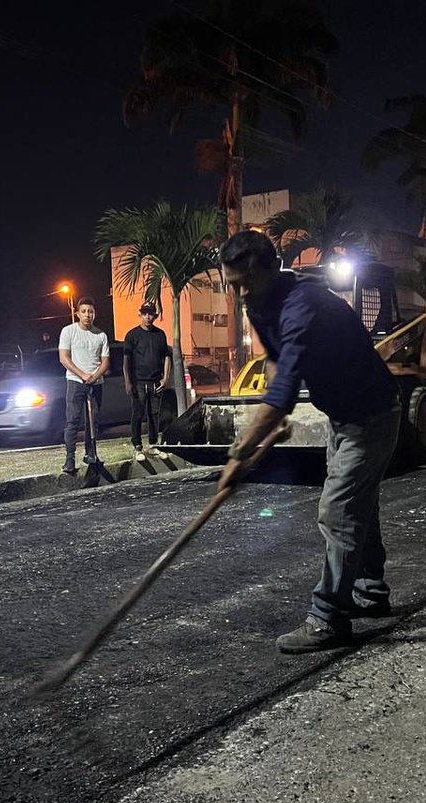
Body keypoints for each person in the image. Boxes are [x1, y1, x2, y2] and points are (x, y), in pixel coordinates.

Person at [217, 232, 401, 654]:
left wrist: (241, 451)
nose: (240, 293)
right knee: (359, 505)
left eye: (246, 281)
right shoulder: (258, 302)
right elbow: (274, 360)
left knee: (338, 511)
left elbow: (283, 392)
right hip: (343, 414)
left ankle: (327, 619)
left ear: (271, 269)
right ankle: (370, 592)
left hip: (371, 415)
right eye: (232, 284)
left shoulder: (302, 305)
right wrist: (271, 424)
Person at [58, 298, 110, 476]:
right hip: (75, 382)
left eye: (91, 311)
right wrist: (82, 375)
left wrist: (94, 376)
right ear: (78, 313)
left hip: (96, 383)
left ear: (95, 313)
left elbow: (105, 361)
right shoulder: (68, 331)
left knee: (93, 421)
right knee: (72, 420)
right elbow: (64, 358)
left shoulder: (100, 335)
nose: (88, 315)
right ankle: (69, 458)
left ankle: (91, 453)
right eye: (84, 311)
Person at [123, 302, 172, 463]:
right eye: (145, 313)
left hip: (156, 382)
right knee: (137, 414)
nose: (148, 317)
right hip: (139, 382)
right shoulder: (132, 335)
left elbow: (166, 357)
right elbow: (126, 360)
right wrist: (128, 382)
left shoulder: (160, 334)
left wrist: (165, 378)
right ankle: (137, 447)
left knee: (154, 415)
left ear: (155, 316)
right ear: (140, 314)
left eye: (150, 314)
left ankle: (153, 445)